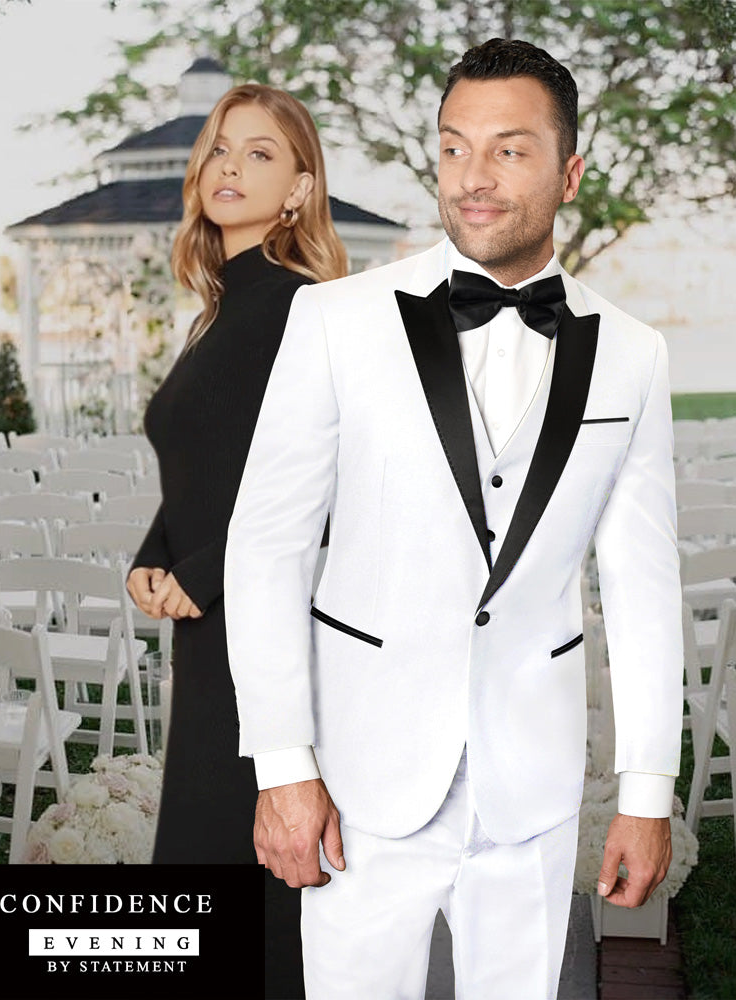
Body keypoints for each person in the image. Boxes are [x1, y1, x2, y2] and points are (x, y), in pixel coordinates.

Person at [224, 38, 683, 999]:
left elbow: (643, 592)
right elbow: (264, 549)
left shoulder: (633, 357)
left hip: (532, 787)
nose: (472, 179)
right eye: (452, 148)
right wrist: (282, 765)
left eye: (508, 151)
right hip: (358, 781)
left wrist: (646, 796)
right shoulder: (335, 321)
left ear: (569, 173)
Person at [126, 82, 346, 996]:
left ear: (299, 188)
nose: (231, 166)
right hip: (206, 634)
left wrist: (203, 571)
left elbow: (324, 481)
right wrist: (152, 550)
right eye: (221, 148)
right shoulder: (218, 311)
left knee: (248, 879)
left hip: (257, 630)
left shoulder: (304, 307)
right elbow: (209, 463)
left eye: (261, 153)